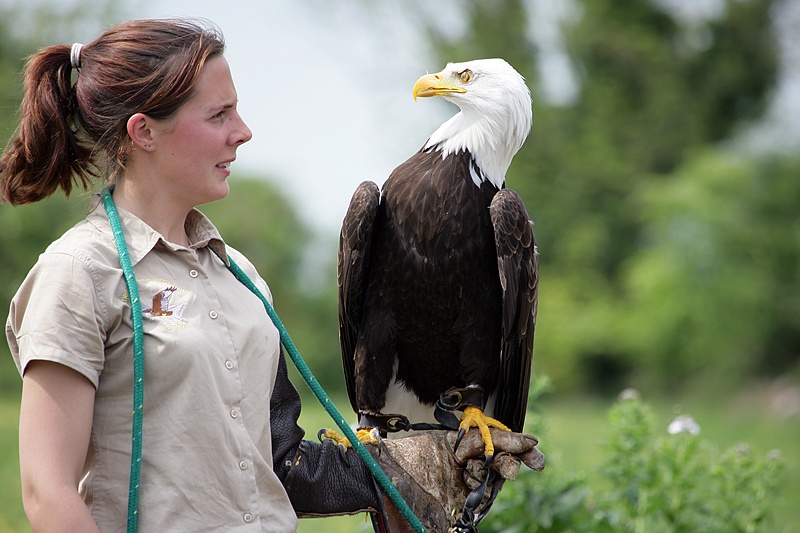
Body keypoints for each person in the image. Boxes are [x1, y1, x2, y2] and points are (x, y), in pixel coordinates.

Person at [1, 18, 543, 533]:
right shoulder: (80, 274)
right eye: (219, 115)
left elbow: (279, 464)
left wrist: (406, 465)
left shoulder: (239, 277)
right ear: (144, 132)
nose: (244, 132)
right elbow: (47, 494)